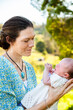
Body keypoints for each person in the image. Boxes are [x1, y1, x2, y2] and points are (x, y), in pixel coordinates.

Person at [0, 16, 73, 110]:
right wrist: (49, 101)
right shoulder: (1, 68)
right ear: (9, 40)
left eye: (33, 38)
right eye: (26, 40)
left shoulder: (29, 68)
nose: (32, 44)